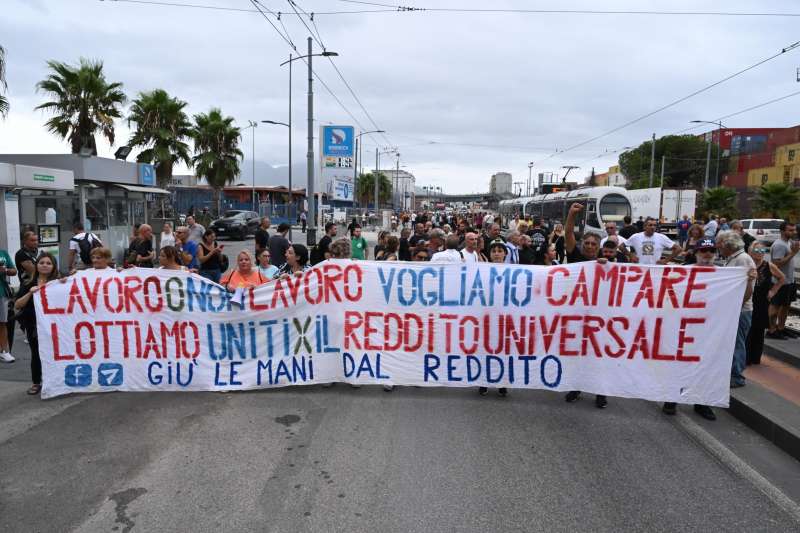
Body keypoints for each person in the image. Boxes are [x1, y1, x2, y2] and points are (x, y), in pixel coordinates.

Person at [662, 238, 721, 421]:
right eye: (703, 250)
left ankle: (702, 402)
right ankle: (672, 399)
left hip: (709, 329)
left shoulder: (724, 274)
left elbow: (741, 298)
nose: (707, 254)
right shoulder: (685, 272)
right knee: (679, 363)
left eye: (711, 250)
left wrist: (748, 281)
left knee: (706, 366)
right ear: (696, 253)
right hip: (685, 327)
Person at [563, 203, 607, 408]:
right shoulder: (575, 257)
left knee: (598, 357)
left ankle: (600, 391)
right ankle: (577, 386)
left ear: (598, 247)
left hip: (600, 319)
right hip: (578, 317)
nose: (589, 246)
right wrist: (572, 214)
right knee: (578, 355)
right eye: (587, 243)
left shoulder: (608, 264)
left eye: (593, 244)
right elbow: (569, 232)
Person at [14, 252, 60, 395]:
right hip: (34, 325)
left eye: (48, 263)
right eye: (42, 263)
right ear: (36, 265)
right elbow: (17, 304)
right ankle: (36, 382)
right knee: (36, 352)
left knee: (57, 352)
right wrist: (30, 293)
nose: (45, 265)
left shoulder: (59, 283)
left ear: (53, 266)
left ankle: (55, 380)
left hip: (56, 325)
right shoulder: (28, 283)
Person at [718, 230, 756, 389]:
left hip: (740, 311)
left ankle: (737, 376)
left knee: (737, 343)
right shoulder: (734, 258)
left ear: (728, 245)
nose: (718, 247)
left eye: (719, 244)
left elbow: (748, 289)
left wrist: (735, 307)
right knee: (732, 342)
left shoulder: (742, 259)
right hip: (734, 309)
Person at [478, 240, 510, 398]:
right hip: (486, 318)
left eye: (500, 250)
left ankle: (502, 383)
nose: (497, 253)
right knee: (484, 351)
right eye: (494, 251)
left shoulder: (514, 271)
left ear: (505, 253)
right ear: (490, 254)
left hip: (505, 319)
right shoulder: (482, 271)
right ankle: (483, 381)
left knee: (503, 352)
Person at [747, 241, 785, 365]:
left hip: (762, 301)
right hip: (748, 300)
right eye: (757, 251)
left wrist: (773, 291)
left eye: (762, 251)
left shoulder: (769, 265)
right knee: (748, 328)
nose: (760, 253)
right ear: (750, 252)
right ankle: (746, 356)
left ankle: (755, 357)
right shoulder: (747, 265)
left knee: (759, 329)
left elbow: (782, 278)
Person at [766, 222, 799, 339]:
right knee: (775, 306)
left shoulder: (788, 242)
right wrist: (793, 253)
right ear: (782, 231)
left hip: (789, 281)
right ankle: (771, 330)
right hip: (779, 282)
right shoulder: (779, 245)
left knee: (786, 306)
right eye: (790, 230)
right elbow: (776, 264)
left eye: (794, 230)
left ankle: (781, 328)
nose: (794, 232)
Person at [0, 247, 18, 363]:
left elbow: (14, 271)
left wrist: (4, 270)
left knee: (2, 322)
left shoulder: (3, 253)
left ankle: (4, 351)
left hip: (2, 292)